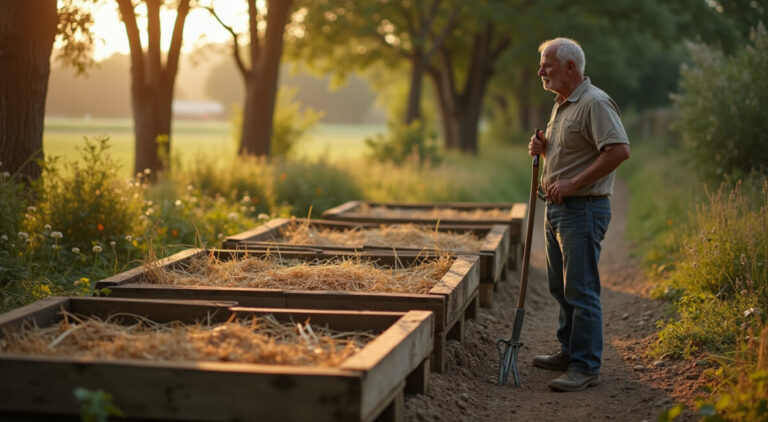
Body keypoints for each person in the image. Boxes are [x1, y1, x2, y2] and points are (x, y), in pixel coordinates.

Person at [527, 37, 631, 392]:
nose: (541, 70)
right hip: (557, 210)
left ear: (571, 67)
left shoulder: (595, 102)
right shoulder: (562, 104)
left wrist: (573, 183)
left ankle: (586, 366)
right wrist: (544, 148)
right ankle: (569, 351)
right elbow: (576, 149)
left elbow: (618, 151)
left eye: (547, 64)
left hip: (583, 209)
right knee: (560, 286)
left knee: (581, 290)